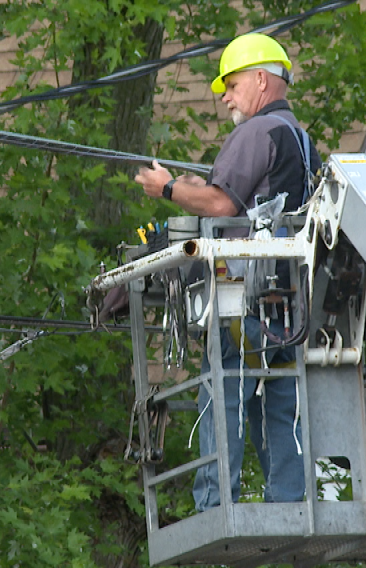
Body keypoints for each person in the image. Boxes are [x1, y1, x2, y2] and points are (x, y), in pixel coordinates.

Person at [133, 33, 321, 511]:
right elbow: (257, 203)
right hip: (289, 302)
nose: (224, 97)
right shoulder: (301, 141)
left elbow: (222, 202)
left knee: (225, 392)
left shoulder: (255, 133)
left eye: (232, 85)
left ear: (261, 80)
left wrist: (170, 188)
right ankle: (288, 503)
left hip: (244, 296)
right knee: (280, 403)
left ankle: (216, 503)